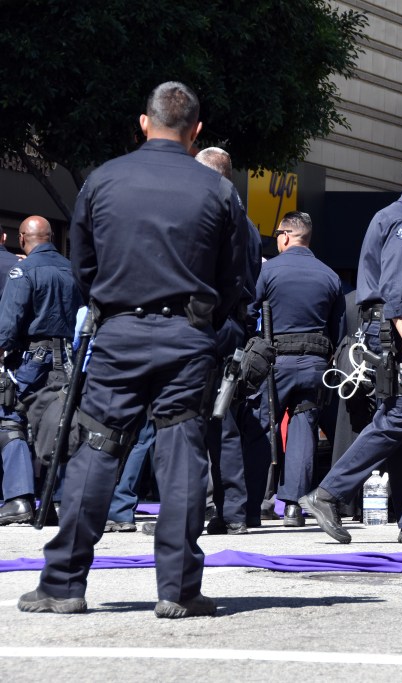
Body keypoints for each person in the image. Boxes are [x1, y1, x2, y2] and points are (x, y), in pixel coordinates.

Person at [19, 82, 248, 618]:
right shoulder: (217, 191)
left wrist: (114, 304)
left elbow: (84, 264)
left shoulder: (103, 179)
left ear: (144, 123)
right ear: (196, 130)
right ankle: (178, 589)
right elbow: (236, 275)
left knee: (96, 451)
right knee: (182, 457)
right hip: (188, 336)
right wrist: (209, 323)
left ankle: (63, 583)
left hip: (119, 332)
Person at [299, 154, 402, 545]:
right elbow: (395, 290)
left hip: (388, 330)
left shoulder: (399, 218)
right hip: (392, 332)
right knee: (400, 415)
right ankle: (328, 493)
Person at [252, 211, 343, 527]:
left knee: (264, 424)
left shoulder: (270, 271)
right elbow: (338, 329)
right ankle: (293, 505)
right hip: (315, 364)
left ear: (286, 235)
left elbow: (250, 311)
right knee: (304, 429)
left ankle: (257, 501)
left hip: (275, 361)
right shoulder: (329, 275)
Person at [194, 147, 263, 534]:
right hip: (232, 327)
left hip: (214, 326)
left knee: (208, 419)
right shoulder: (246, 222)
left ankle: (221, 509)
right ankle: (232, 510)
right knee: (222, 418)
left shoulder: (220, 217)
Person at [0, 216, 80, 525]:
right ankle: (58, 500)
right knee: (60, 423)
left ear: (22, 239)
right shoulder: (72, 269)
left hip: (32, 358)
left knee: (10, 420)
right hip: (69, 358)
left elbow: (8, 324)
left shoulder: (24, 270)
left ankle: (19, 499)